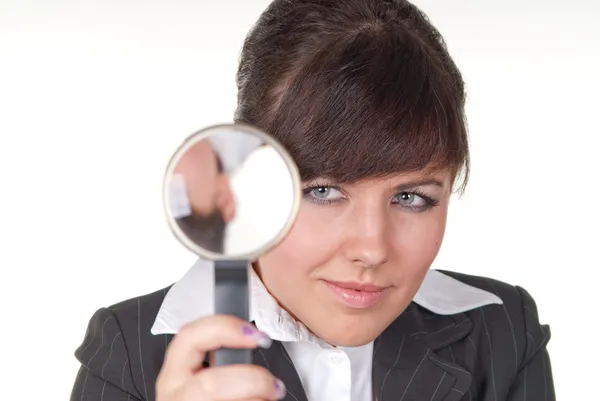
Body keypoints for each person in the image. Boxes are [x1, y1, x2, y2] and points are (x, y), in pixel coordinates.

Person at [70, 1, 556, 400]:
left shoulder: (502, 332)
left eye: (410, 197)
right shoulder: (130, 356)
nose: (371, 248)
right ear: (243, 177)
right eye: (322, 191)